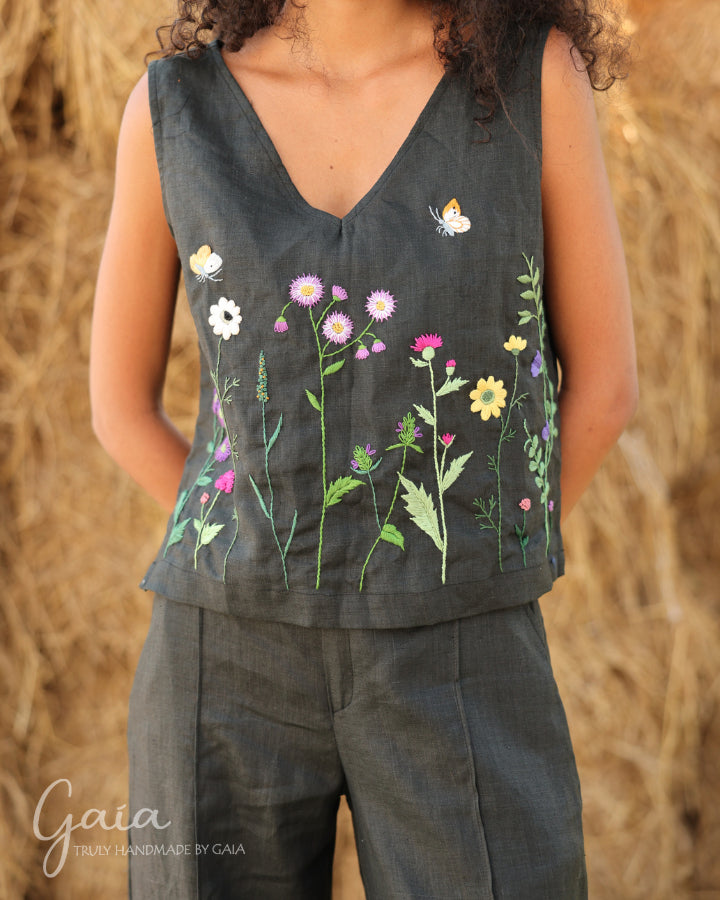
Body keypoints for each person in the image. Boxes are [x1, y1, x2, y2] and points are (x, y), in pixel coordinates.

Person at [90, 0, 637, 896]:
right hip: (219, 664)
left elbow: (607, 386)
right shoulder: (175, 106)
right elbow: (115, 406)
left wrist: (463, 564)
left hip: (456, 649)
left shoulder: (532, 79)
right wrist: (407, 556)